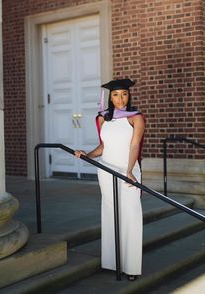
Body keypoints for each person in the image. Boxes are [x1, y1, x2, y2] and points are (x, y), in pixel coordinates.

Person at [75, 78, 145, 281]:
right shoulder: (102, 118)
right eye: (115, 94)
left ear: (129, 95)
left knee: (131, 214)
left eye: (124, 94)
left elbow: (134, 146)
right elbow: (103, 147)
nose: (120, 98)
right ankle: (113, 262)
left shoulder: (136, 117)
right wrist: (86, 155)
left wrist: (130, 171)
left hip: (127, 171)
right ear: (110, 97)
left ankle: (131, 267)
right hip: (106, 171)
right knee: (111, 213)